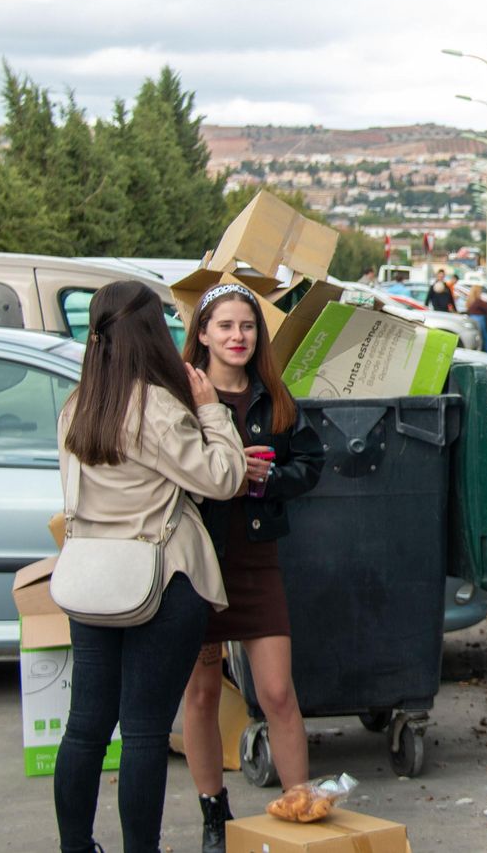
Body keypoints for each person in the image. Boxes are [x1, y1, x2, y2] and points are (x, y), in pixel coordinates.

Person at [54, 280, 246, 853]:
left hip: (91, 581)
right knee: (142, 731)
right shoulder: (155, 407)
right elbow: (224, 477)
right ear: (151, 335)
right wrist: (212, 412)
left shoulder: (76, 407)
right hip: (162, 580)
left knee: (85, 728)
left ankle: (76, 846)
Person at [178, 284, 324, 853]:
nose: (237, 337)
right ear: (204, 335)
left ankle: (300, 804)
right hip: (197, 561)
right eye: (225, 326)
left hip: (257, 560)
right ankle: (215, 815)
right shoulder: (181, 395)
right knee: (202, 694)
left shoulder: (273, 396)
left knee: (278, 692)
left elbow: (311, 464)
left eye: (247, 327)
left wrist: (269, 481)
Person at [466, 285, 487, 355]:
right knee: (485, 338)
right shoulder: (478, 301)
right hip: (480, 319)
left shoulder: (470, 300)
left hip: (472, 318)